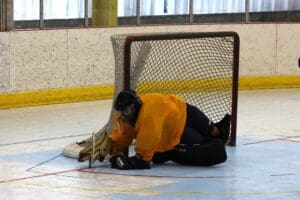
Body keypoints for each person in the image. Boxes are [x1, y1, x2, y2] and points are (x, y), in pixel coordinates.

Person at [108, 89, 231, 170]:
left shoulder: (148, 116)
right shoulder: (125, 118)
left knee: (213, 130)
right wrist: (110, 146)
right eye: (121, 112)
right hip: (176, 134)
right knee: (205, 144)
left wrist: (131, 162)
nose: (124, 115)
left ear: (135, 105)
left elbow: (143, 159)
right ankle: (169, 152)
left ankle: (216, 132)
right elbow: (124, 137)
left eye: (127, 111)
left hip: (183, 110)